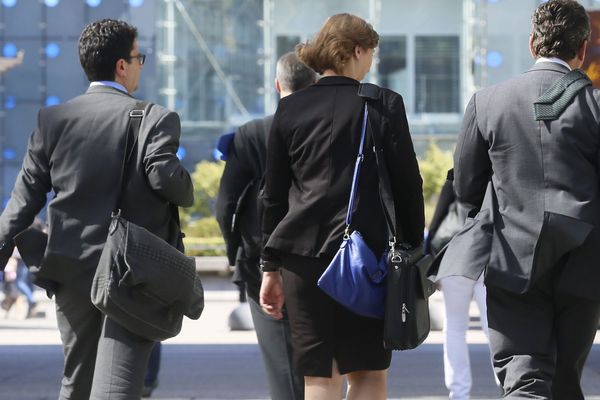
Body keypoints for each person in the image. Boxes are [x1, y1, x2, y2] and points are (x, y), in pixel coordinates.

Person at [0, 19, 193, 399]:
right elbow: (171, 185)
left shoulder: (52, 120)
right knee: (120, 383)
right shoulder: (154, 118)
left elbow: (22, 203)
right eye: (139, 58)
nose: (141, 65)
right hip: (133, 271)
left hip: (71, 269)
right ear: (122, 66)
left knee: (77, 379)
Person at [438, 1, 600, 398]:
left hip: (513, 258)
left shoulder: (488, 101)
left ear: (532, 43)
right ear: (582, 48)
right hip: (583, 262)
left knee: (524, 376)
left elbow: (466, 189)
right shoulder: (594, 105)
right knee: (565, 378)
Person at [259, 13, 424, 400]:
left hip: (302, 259)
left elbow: (273, 195)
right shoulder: (383, 105)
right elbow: (408, 186)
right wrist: (413, 250)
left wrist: (269, 268)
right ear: (356, 51)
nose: (371, 62)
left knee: (320, 378)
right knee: (368, 374)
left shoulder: (289, 108)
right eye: (370, 53)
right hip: (366, 261)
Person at [216, 51, 315, 400]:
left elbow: (224, 204)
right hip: (318, 260)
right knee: (323, 368)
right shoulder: (327, 130)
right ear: (315, 84)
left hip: (261, 261)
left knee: (282, 367)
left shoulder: (250, 134)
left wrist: (235, 253)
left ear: (277, 85)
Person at [426, 169, 496, 400]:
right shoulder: (499, 171)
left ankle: (459, 393)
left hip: (455, 256)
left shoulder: (456, 174)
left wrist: (431, 261)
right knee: (495, 327)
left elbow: (438, 219)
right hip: (490, 256)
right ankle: (508, 385)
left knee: (455, 327)